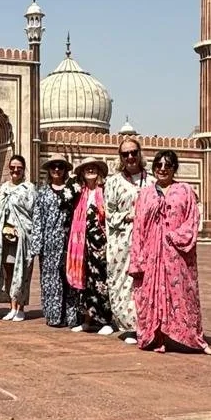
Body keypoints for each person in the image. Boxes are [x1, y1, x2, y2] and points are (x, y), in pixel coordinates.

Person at [129, 149, 211, 354]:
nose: (162, 169)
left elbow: (192, 220)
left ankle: (195, 340)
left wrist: (173, 237)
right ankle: (156, 337)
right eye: (158, 165)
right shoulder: (145, 194)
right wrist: (137, 257)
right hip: (151, 254)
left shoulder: (185, 190)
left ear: (175, 168)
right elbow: (139, 227)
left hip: (177, 255)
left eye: (168, 165)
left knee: (183, 295)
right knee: (151, 296)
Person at [104, 137, 149, 345]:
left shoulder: (152, 181)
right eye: (125, 154)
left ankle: (147, 325)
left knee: (147, 284)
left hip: (148, 241)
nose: (130, 157)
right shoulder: (113, 182)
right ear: (120, 157)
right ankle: (130, 327)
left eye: (133, 152)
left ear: (139, 153)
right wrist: (129, 216)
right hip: (122, 243)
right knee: (123, 284)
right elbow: (109, 213)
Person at [29, 157, 80, 327]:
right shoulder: (42, 192)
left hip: (70, 242)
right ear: (49, 170)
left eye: (60, 167)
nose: (57, 170)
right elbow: (37, 219)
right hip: (49, 244)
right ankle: (54, 316)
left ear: (65, 170)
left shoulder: (73, 190)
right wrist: (37, 245)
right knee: (50, 280)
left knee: (70, 279)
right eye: (53, 167)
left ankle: (71, 316)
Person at [65, 156, 113, 335]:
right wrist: (72, 183)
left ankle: (104, 320)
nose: (90, 171)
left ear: (99, 171)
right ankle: (86, 320)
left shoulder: (105, 191)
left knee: (100, 281)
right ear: (82, 174)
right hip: (81, 243)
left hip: (100, 243)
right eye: (87, 169)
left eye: (93, 168)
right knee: (84, 281)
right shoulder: (79, 193)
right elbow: (64, 201)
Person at [0, 154, 36, 321]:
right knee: (8, 272)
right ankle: (12, 307)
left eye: (19, 168)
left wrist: (24, 231)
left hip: (23, 237)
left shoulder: (29, 188)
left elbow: (33, 213)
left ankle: (21, 307)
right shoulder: (4, 187)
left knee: (22, 273)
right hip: (5, 237)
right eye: (12, 168)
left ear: (24, 169)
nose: (15, 171)